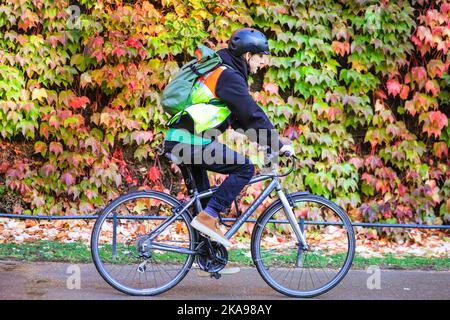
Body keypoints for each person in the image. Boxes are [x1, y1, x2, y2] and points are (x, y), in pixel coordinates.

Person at [163, 28, 295, 253]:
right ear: (247, 55)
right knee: (244, 168)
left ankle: (208, 254)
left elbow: (240, 121)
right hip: (190, 143)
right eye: (261, 56)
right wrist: (279, 144)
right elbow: (252, 113)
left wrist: (269, 143)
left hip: (184, 141)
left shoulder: (222, 72)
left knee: (203, 205)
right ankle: (209, 218)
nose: (264, 62)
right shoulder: (228, 76)